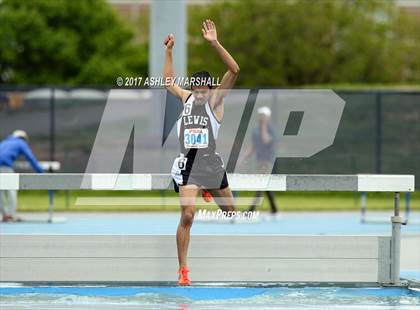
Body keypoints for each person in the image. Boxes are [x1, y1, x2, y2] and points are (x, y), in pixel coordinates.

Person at [164, 19, 240, 285]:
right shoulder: (187, 98)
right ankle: (183, 270)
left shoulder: (216, 102)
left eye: (203, 89)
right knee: (187, 215)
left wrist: (214, 43)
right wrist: (169, 51)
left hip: (210, 164)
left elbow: (234, 69)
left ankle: (209, 189)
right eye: (195, 88)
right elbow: (169, 82)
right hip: (188, 166)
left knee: (231, 212)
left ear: (210, 90)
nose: (198, 93)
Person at [240, 106, 278, 215]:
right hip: (259, 160)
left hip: (267, 160)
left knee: (261, 183)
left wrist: (264, 125)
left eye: (264, 116)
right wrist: (244, 158)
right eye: (260, 115)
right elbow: (254, 147)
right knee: (264, 184)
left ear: (267, 117)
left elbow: (266, 140)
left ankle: (251, 209)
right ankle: (274, 208)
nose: (261, 118)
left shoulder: (270, 130)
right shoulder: (255, 130)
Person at [0, 130, 43, 222]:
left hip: (3, 165)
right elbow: (30, 157)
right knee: (12, 189)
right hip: (5, 166)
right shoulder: (20, 142)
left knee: (0, 191)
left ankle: (4, 214)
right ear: (23, 138)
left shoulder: (5, 141)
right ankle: (11, 215)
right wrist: (40, 171)